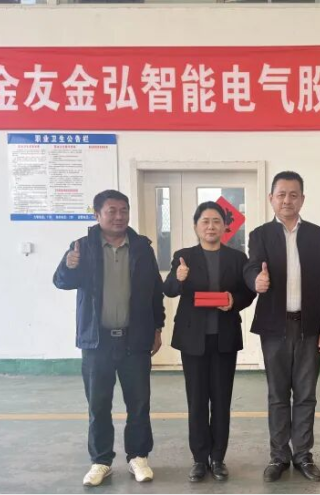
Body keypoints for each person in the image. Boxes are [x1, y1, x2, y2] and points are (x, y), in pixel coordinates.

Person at [53, 190, 165, 487]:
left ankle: (138, 457)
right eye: (111, 210)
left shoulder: (142, 248)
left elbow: (155, 291)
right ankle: (101, 461)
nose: (119, 216)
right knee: (98, 404)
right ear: (97, 214)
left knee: (139, 403)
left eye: (123, 210)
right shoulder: (83, 247)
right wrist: (69, 265)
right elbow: (62, 282)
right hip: (96, 342)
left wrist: (158, 328)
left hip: (134, 340)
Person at [243, 171, 320, 483]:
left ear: (302, 199)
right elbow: (251, 266)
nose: (287, 200)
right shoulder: (260, 235)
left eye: (293, 194)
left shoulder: (317, 235)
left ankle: (303, 455)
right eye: (281, 194)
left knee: (306, 394)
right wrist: (256, 279)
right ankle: (279, 456)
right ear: (271, 198)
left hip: (309, 327)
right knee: (278, 394)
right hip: (275, 327)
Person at [163, 202, 257, 483]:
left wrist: (234, 301)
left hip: (224, 338)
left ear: (225, 226)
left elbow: (248, 293)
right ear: (196, 226)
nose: (211, 226)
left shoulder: (237, 258)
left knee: (221, 400)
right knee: (197, 401)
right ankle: (199, 459)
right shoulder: (184, 257)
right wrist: (178, 278)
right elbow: (169, 290)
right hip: (193, 339)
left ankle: (218, 457)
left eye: (216, 221)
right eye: (205, 221)